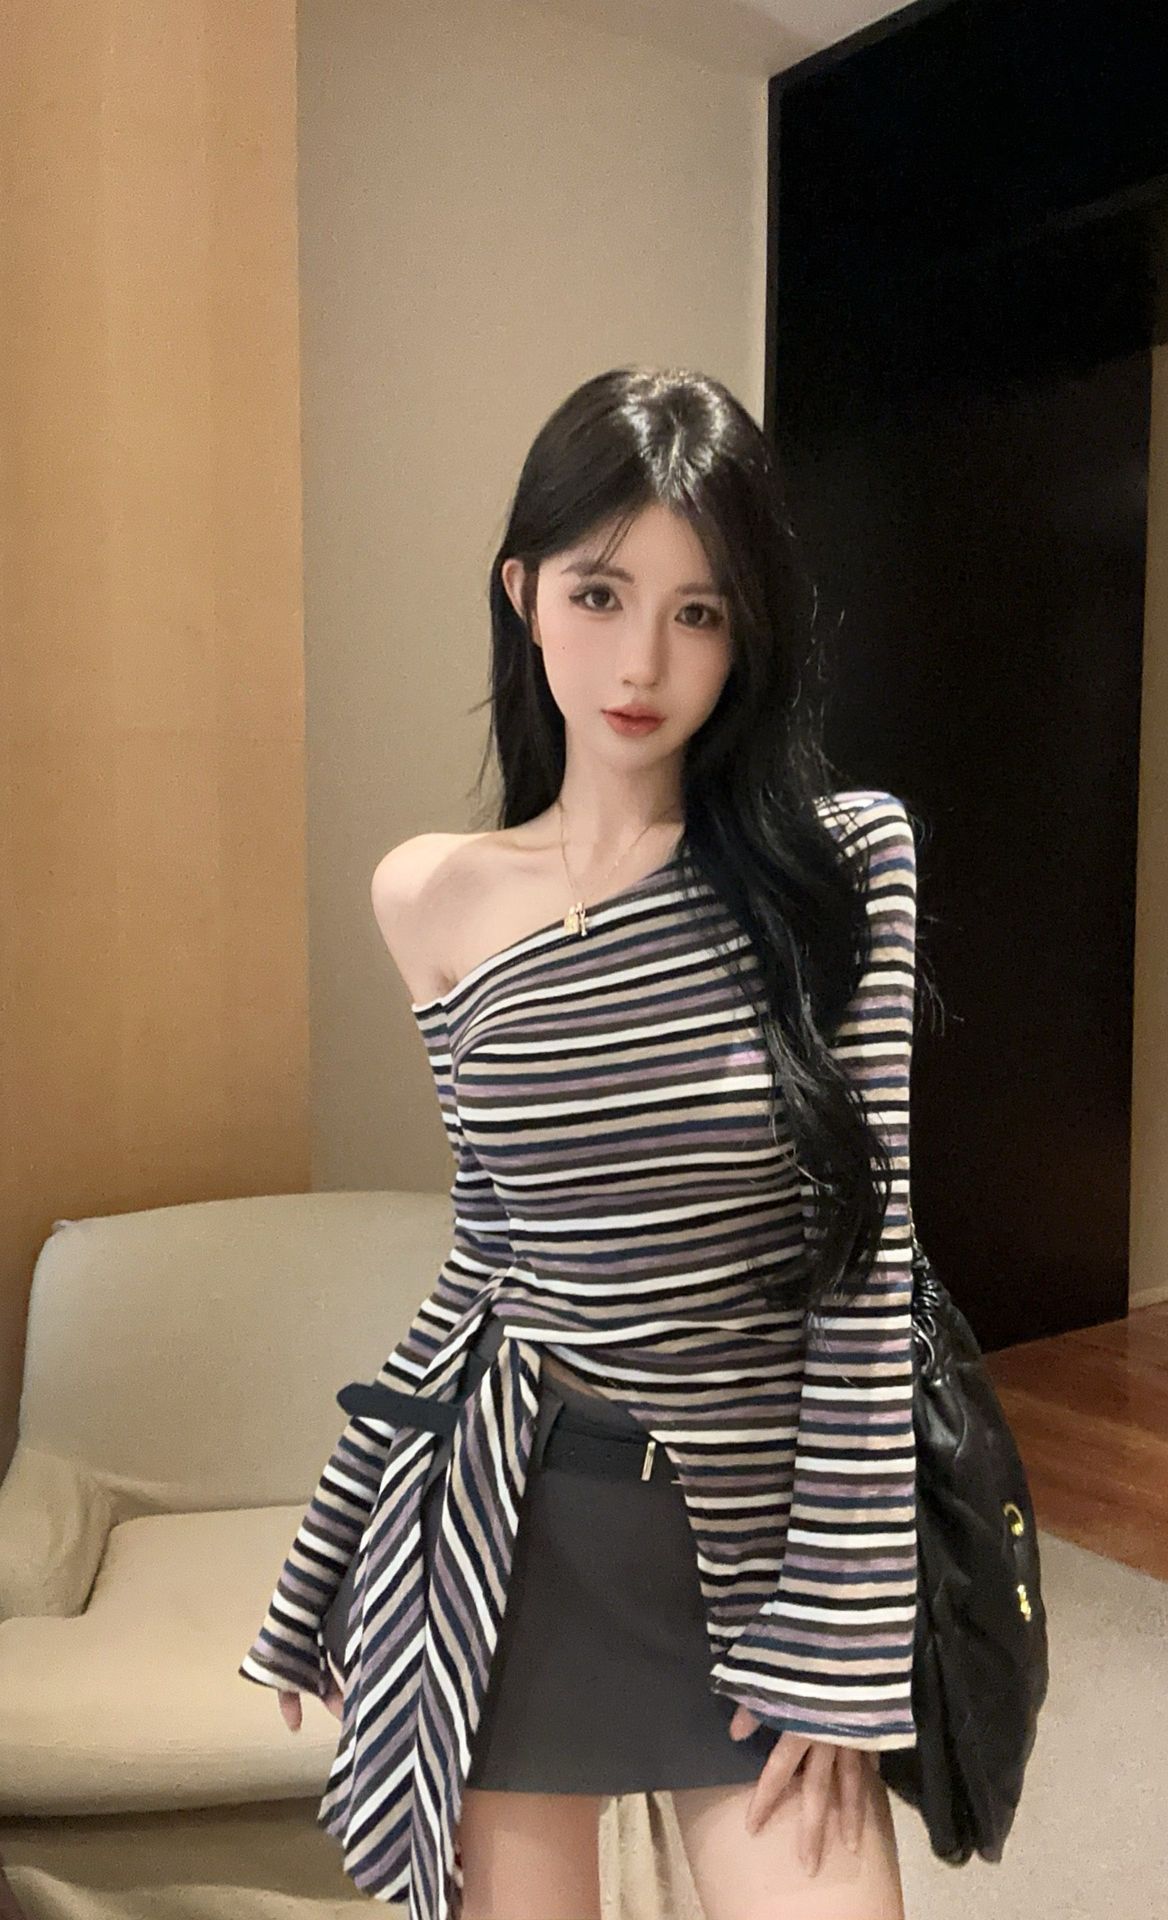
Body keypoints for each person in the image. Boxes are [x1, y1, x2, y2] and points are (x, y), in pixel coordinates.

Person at [237, 365, 924, 1920]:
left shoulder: (840, 869)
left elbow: (866, 1272)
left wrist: (837, 1640)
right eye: (601, 595)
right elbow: (488, 1259)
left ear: (748, 634)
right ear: (524, 595)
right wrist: (326, 1554)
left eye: (699, 612)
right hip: (512, 1530)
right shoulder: (430, 895)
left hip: (754, 1558)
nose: (642, 661)